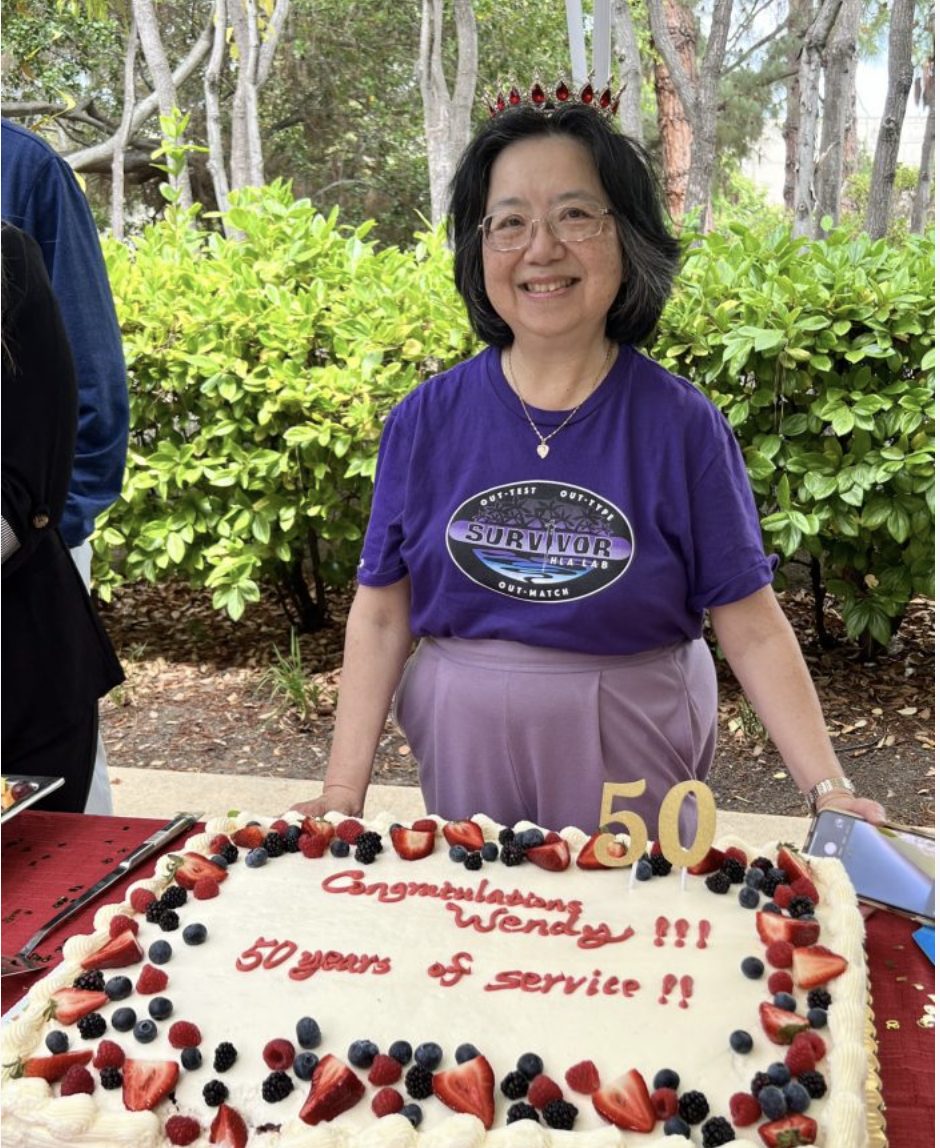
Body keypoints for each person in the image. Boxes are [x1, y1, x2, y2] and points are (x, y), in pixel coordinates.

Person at [292, 97, 885, 837]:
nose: (541, 249)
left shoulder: (682, 425)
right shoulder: (424, 420)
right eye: (509, 222)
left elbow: (753, 624)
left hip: (634, 732)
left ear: (628, 239)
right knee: (482, 933)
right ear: (478, 252)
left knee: (629, 935)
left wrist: (829, 789)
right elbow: (382, 612)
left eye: (576, 215)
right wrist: (343, 789)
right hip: (461, 734)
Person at [1, 118, 129, 814]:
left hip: (28, 573)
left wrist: (43, 528)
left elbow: (91, 388)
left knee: (58, 845)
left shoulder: (24, 169)